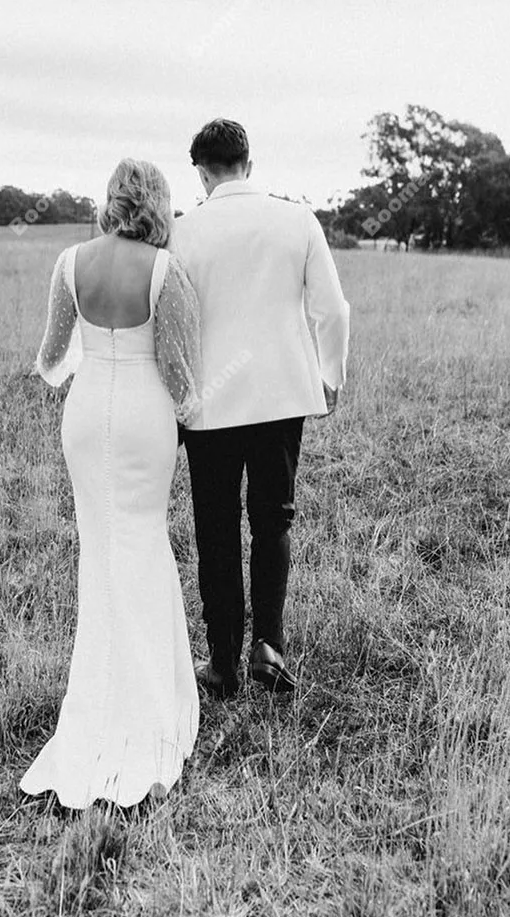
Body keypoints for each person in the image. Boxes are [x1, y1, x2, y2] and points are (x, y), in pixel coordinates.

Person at [20, 158, 203, 809]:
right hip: (143, 421)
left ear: (109, 201)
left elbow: (48, 357)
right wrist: (197, 415)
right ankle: (149, 703)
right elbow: (178, 371)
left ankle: (98, 701)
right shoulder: (166, 271)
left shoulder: (70, 262)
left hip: (85, 418)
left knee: (99, 552)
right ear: (156, 203)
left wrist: (91, 360)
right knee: (145, 545)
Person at [172, 119, 350, 697]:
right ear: (250, 162)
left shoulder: (182, 232)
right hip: (280, 399)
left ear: (201, 171)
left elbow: (170, 326)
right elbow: (334, 310)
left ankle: (222, 662)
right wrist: (329, 378)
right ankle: (268, 648)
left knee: (217, 529)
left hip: (209, 404)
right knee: (274, 519)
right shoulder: (296, 219)